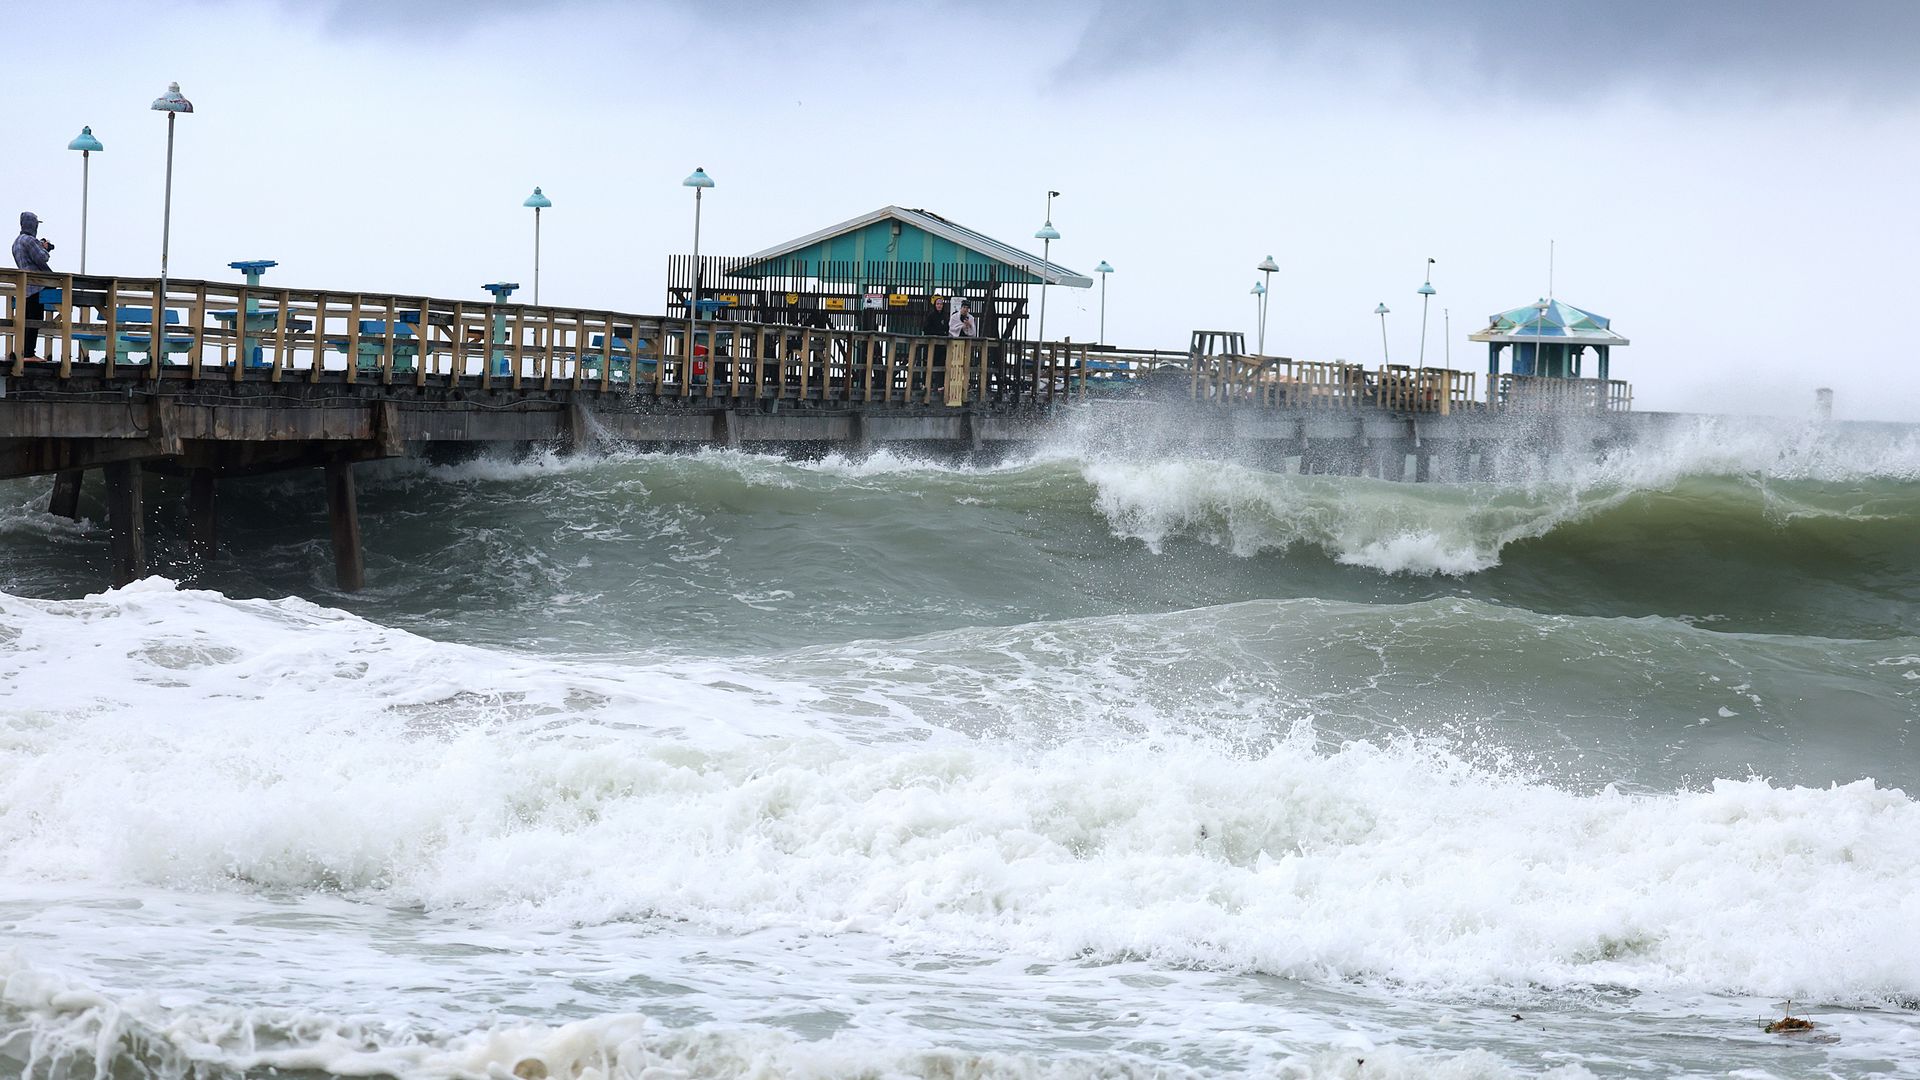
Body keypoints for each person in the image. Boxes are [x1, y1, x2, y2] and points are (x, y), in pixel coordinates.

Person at [11, 212, 54, 360]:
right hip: (37, 286)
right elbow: (41, 258)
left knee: (27, 320)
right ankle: (29, 354)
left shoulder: (16, 242)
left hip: (26, 287)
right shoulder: (30, 241)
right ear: (33, 225)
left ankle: (23, 351)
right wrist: (45, 248)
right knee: (35, 319)